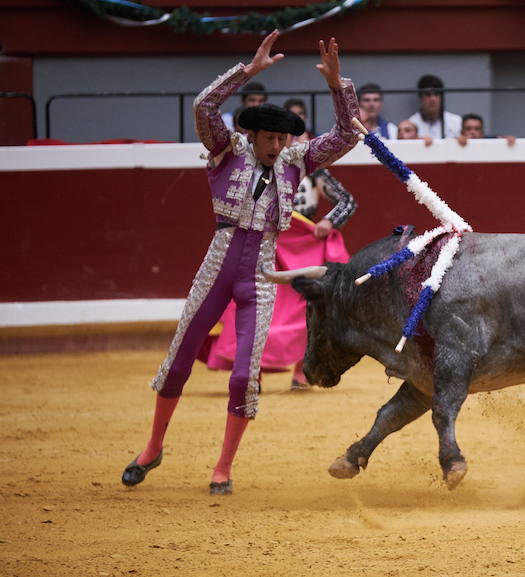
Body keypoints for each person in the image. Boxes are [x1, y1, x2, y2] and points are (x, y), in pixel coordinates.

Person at [121, 31, 360, 495]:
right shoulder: (224, 150)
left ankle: (223, 467)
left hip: (261, 274)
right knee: (178, 361)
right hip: (217, 266)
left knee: (246, 374)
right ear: (252, 134)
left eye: (282, 138)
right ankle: (152, 448)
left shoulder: (295, 161)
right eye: (270, 137)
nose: (276, 145)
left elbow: (349, 133)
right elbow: (202, 107)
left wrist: (337, 86)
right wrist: (247, 72)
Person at [203, 168, 356, 391]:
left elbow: (347, 201)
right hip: (264, 244)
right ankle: (251, 372)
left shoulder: (313, 172)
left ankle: (303, 371)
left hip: (304, 248)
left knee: (310, 306)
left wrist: (329, 221)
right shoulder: (255, 167)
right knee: (254, 304)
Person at [407, 74, 462, 139]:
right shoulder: (411, 123)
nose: (432, 99)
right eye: (428, 94)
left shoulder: (456, 122)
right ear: (420, 97)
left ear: (441, 97)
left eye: (436, 94)